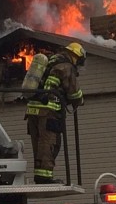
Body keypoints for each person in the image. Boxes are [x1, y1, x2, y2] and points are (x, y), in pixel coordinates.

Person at [26, 42, 86, 184]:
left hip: (32, 111)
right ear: (76, 56)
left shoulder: (49, 62)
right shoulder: (67, 67)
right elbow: (74, 93)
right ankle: (44, 178)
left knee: (39, 144)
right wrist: (80, 101)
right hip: (48, 112)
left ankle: (39, 175)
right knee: (50, 143)